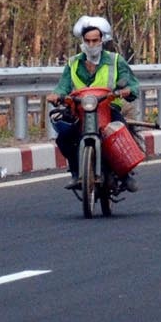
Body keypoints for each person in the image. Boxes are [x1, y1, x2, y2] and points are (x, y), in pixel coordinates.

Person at [50, 15, 142, 192]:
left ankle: (124, 175)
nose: (91, 44)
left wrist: (126, 90)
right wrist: (56, 95)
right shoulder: (73, 63)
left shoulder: (115, 60)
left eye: (95, 40)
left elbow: (132, 83)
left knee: (120, 132)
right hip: (80, 111)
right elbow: (63, 85)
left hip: (108, 109)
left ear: (102, 40)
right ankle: (76, 172)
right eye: (87, 41)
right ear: (82, 41)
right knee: (64, 138)